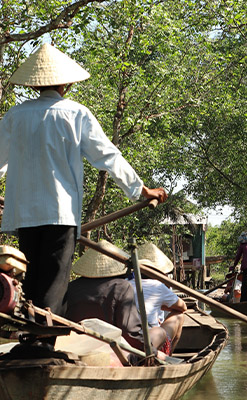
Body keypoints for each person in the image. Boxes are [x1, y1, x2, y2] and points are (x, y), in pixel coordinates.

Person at [0, 44, 168, 341]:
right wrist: (141, 189)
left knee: (34, 279)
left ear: (35, 83)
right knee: (54, 283)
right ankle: (43, 346)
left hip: (24, 214)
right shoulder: (75, 113)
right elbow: (107, 155)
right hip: (59, 213)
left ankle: (33, 340)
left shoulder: (15, 116)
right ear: (65, 83)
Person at [64, 240, 169, 359]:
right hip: (114, 352)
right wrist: (151, 351)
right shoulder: (122, 287)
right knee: (159, 332)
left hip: (74, 348)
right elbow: (130, 333)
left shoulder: (71, 286)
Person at [128, 243, 187, 354]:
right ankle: (168, 353)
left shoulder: (124, 284)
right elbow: (183, 307)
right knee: (179, 315)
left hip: (129, 338)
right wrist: (164, 306)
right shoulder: (157, 286)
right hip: (148, 341)